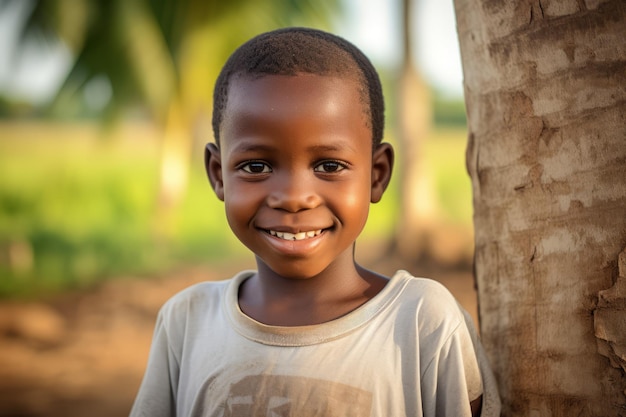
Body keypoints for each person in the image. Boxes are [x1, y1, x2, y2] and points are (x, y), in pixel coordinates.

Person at [130, 27, 500, 417]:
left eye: (329, 165)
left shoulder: (423, 324)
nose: (293, 197)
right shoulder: (186, 323)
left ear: (376, 174)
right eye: (256, 166)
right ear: (218, 173)